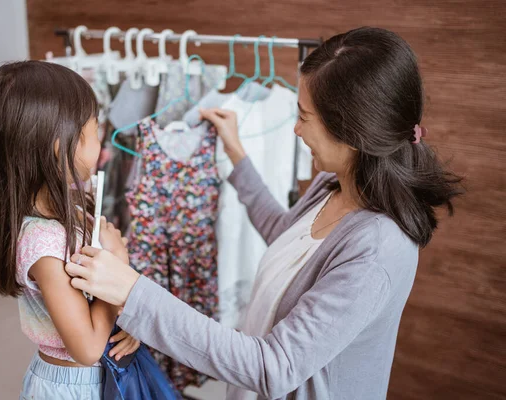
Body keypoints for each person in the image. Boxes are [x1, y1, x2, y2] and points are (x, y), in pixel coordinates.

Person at [64, 27, 464, 400]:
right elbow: (286, 237)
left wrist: (133, 292)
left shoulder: (376, 250)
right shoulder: (338, 186)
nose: (295, 130)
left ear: (353, 133)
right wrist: (237, 155)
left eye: (304, 117)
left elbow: (275, 365)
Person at [0, 61, 178, 400]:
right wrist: (119, 264)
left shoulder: (68, 208)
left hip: (102, 375)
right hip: (73, 387)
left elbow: (94, 307)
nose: (101, 141)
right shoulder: (42, 244)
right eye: (95, 129)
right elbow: (86, 347)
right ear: (61, 146)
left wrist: (126, 319)